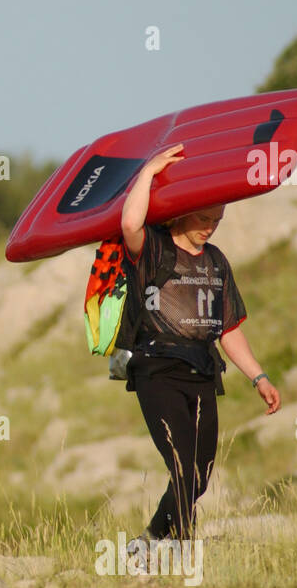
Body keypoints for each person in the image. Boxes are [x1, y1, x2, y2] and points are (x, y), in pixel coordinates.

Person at [119, 144, 281, 548]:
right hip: (157, 368)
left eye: (217, 220)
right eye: (204, 218)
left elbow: (227, 328)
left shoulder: (215, 260)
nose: (210, 227)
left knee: (200, 474)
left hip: (203, 372)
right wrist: (149, 172)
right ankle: (183, 546)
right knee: (182, 467)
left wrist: (258, 375)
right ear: (183, 210)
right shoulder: (154, 248)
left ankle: (150, 540)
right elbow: (129, 225)